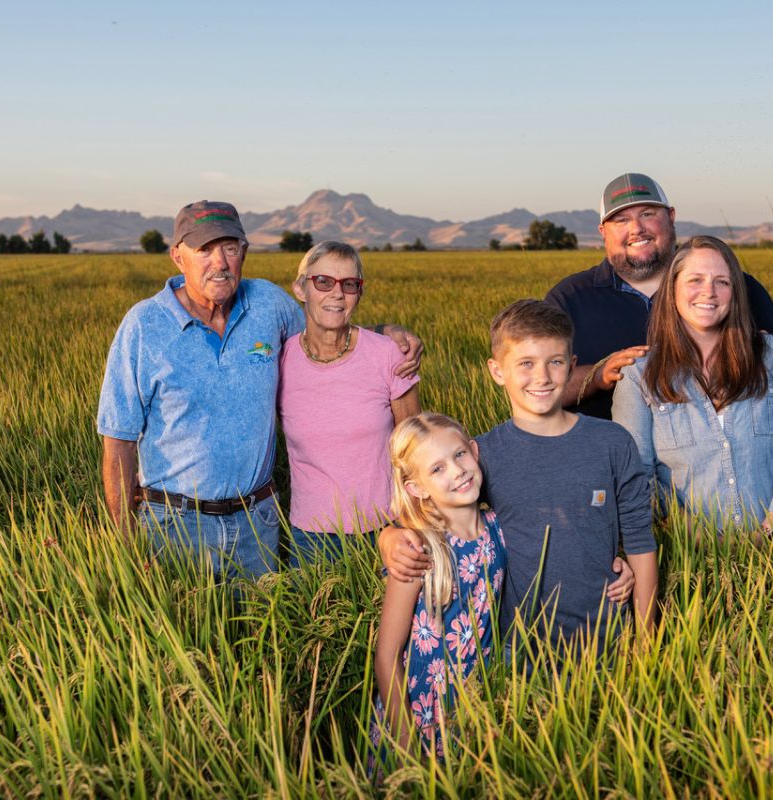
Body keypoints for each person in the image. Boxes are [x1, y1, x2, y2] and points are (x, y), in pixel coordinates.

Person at [97, 200, 422, 579]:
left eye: (230, 248)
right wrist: (126, 546)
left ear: (244, 253)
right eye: (204, 249)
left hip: (257, 525)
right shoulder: (143, 326)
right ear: (177, 256)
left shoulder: (266, 303)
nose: (219, 262)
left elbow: (326, 320)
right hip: (174, 527)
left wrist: (386, 333)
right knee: (184, 633)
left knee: (260, 635)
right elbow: (117, 440)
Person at [380, 300, 657, 660]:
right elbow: (426, 515)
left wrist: (646, 649)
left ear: (572, 367)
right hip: (517, 652)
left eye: (555, 362)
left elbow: (639, 543)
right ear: (497, 371)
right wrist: (388, 538)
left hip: (608, 642)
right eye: (525, 364)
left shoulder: (612, 443)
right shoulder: (480, 454)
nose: (541, 378)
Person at [545, 173, 773, 420]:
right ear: (603, 231)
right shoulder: (569, 299)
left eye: (647, 214)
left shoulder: (734, 288)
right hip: (605, 456)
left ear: (671, 217)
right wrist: (598, 376)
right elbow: (538, 387)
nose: (636, 229)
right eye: (621, 219)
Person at [612, 236, 773, 536]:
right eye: (695, 280)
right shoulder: (638, 376)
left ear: (735, 292)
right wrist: (702, 540)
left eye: (722, 282)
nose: (709, 292)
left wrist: (768, 534)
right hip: (690, 560)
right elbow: (635, 479)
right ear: (672, 289)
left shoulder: (770, 357)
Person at [371, 413, 506, 765]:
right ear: (416, 488)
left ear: (474, 451)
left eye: (459, 455)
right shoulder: (417, 549)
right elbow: (387, 654)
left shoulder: (501, 530)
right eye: (437, 469)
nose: (457, 471)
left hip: (480, 704)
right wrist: (405, 743)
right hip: (419, 713)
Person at [278, 241, 421, 566]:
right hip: (311, 540)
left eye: (350, 285)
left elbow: (415, 448)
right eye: (323, 282)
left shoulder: (388, 354)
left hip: (387, 531)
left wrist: (414, 525)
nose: (337, 294)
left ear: (360, 292)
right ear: (301, 288)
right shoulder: (281, 359)